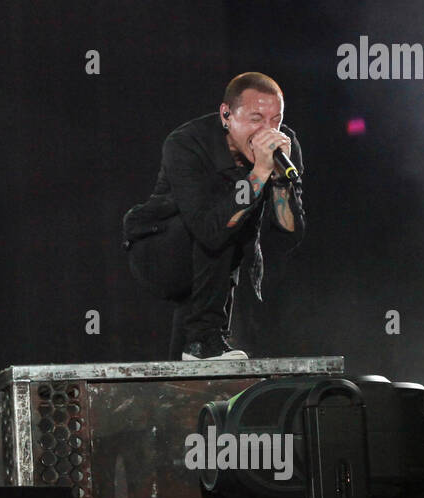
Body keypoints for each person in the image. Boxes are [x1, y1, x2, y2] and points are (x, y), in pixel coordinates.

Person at [123, 72, 304, 360]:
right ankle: (203, 339)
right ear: (226, 115)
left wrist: (281, 181)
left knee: (232, 224)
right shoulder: (187, 143)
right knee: (224, 219)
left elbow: (288, 236)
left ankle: (195, 355)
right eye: (256, 119)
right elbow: (209, 229)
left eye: (275, 120)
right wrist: (258, 175)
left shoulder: (285, 145)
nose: (267, 131)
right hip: (159, 250)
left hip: (213, 263)